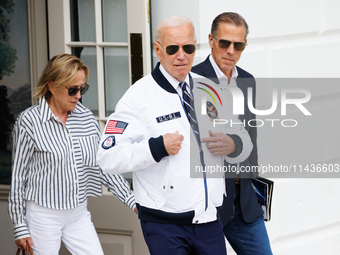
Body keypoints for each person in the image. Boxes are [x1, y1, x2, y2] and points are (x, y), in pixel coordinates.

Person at [97, 16, 252, 255]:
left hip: (209, 218)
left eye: (188, 48)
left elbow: (241, 135)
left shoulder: (209, 88)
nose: (182, 55)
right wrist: (156, 148)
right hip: (165, 224)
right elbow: (108, 157)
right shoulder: (137, 97)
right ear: (158, 50)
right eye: (173, 48)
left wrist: (233, 143)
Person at [7, 53, 137, 255]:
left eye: (83, 88)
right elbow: (18, 178)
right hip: (43, 214)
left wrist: (132, 201)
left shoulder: (86, 119)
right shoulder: (29, 122)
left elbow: (103, 166)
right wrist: (19, 226)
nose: (78, 95)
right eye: (73, 89)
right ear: (52, 86)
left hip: (77, 213)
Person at [192, 12, 273, 254]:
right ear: (211, 40)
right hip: (209, 205)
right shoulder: (192, 80)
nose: (230, 50)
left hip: (246, 201)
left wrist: (257, 193)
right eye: (225, 42)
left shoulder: (247, 80)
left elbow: (252, 139)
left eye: (238, 45)